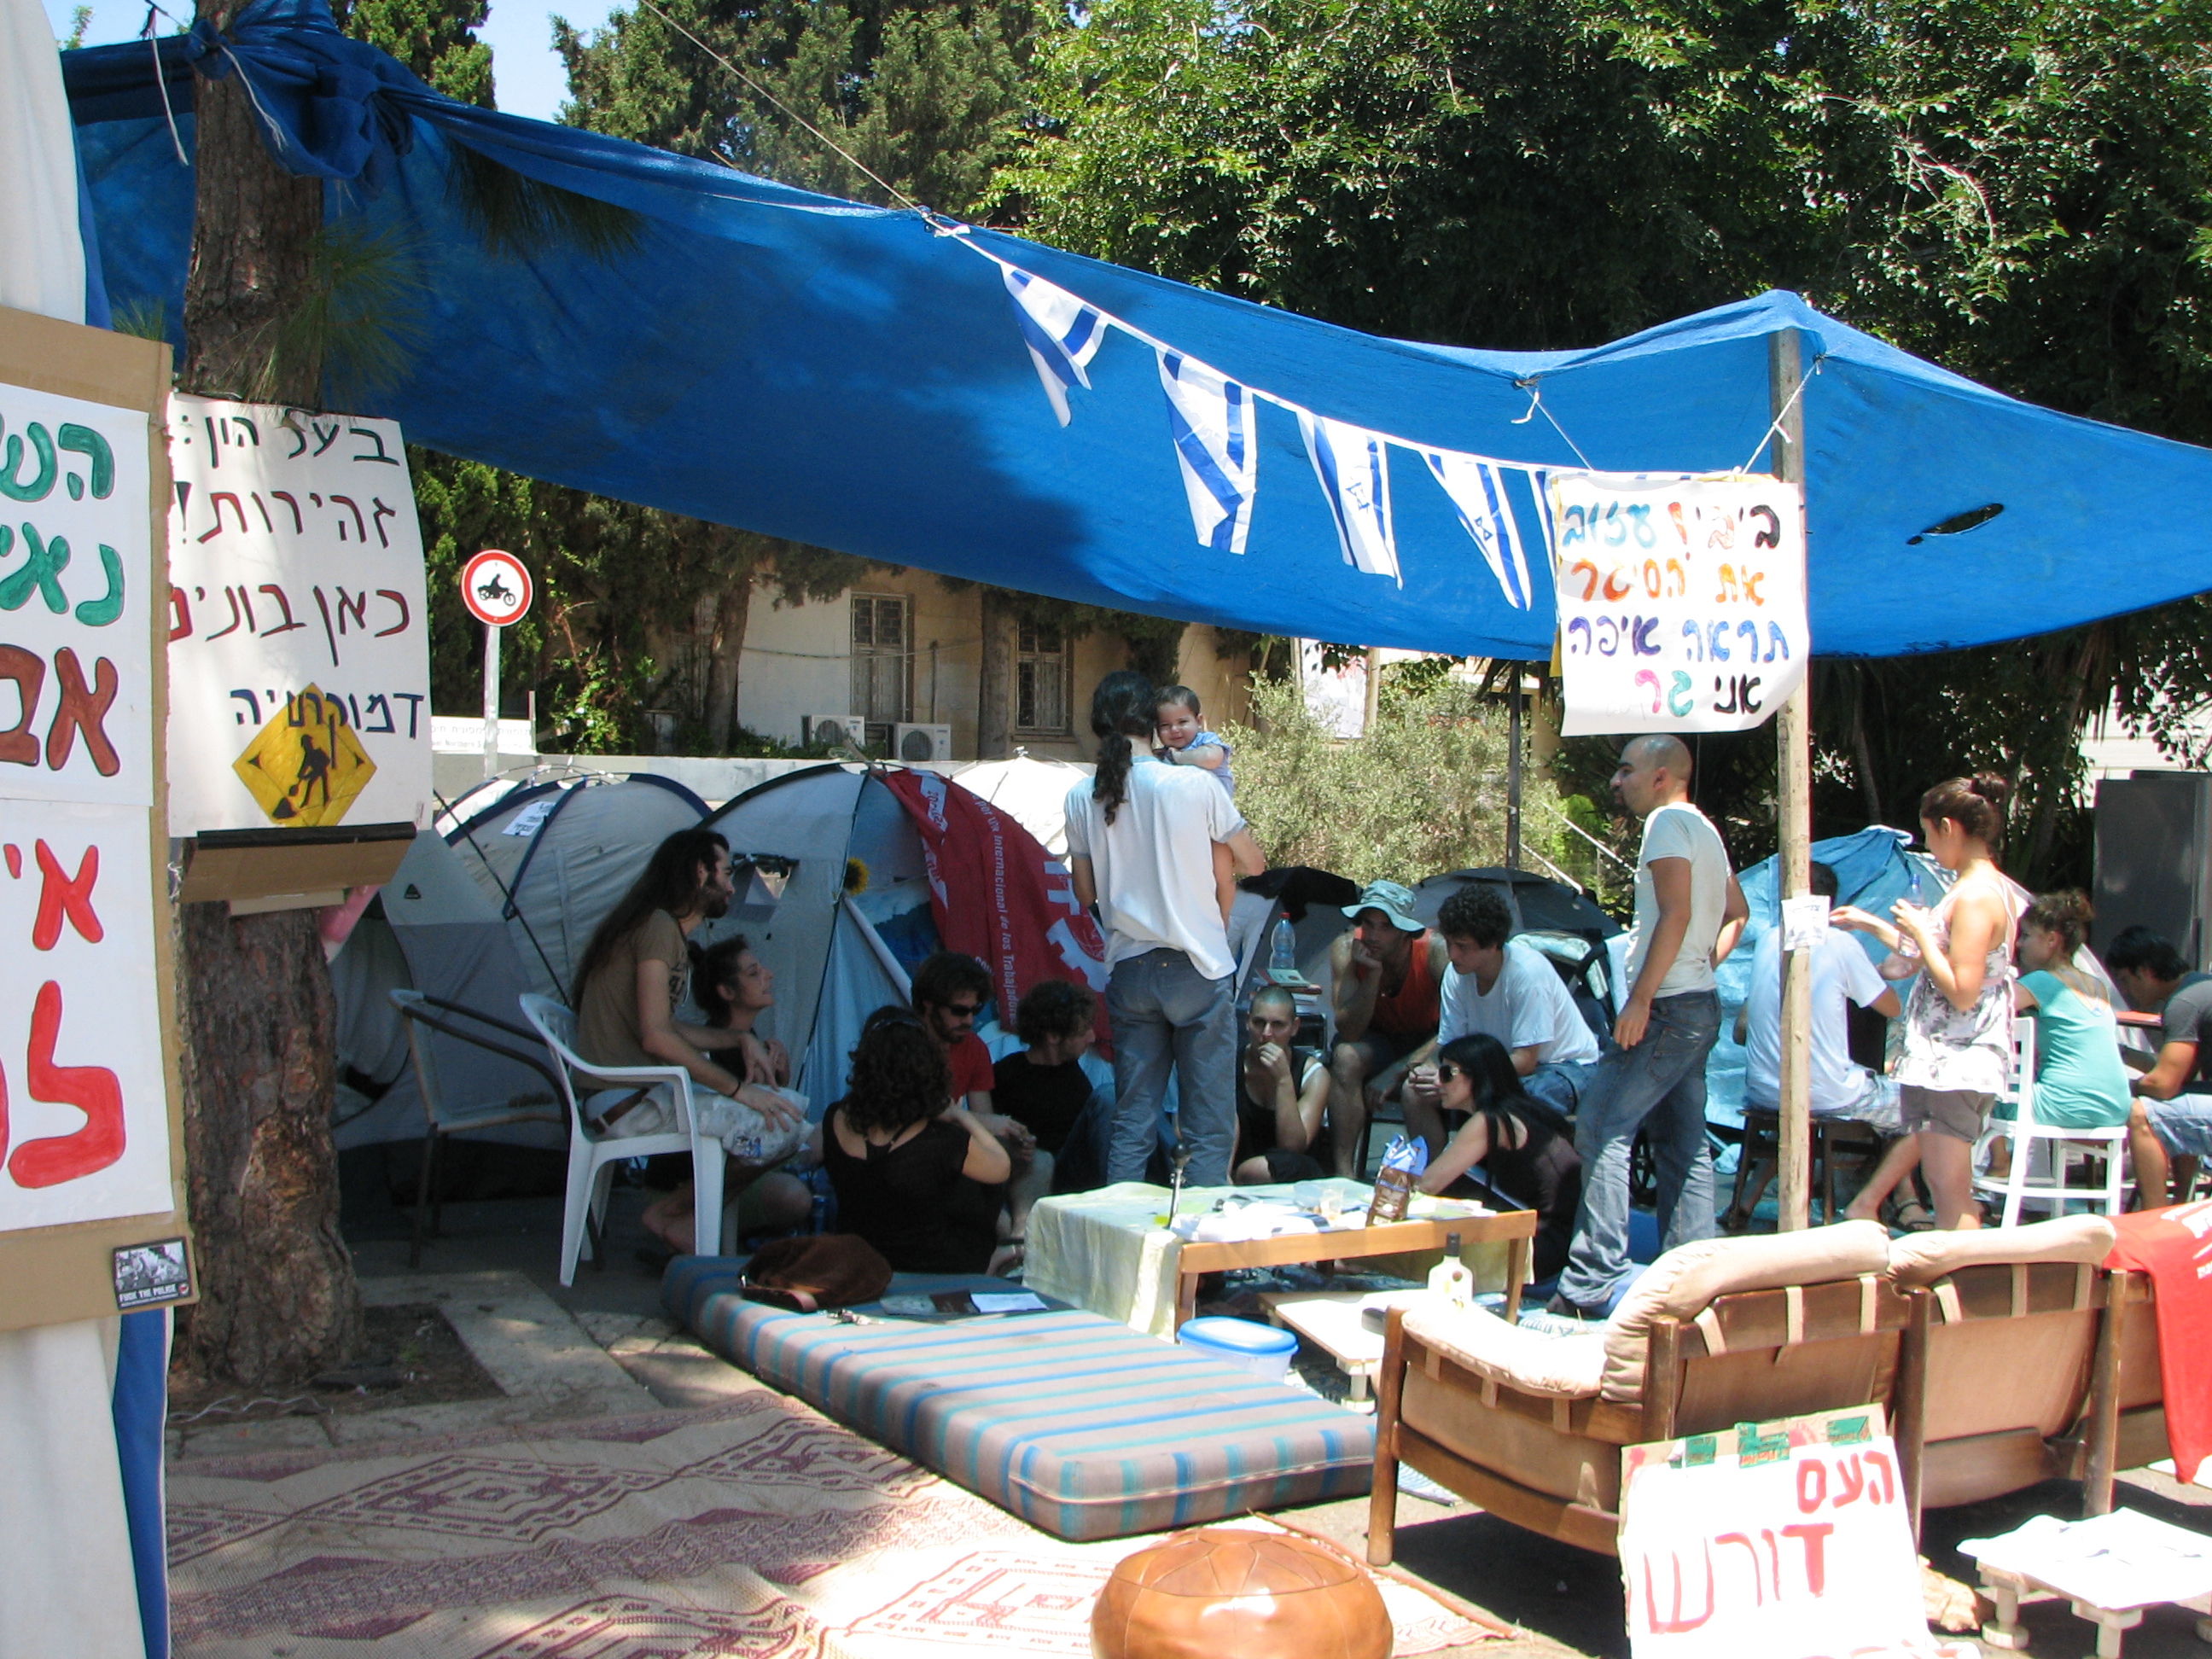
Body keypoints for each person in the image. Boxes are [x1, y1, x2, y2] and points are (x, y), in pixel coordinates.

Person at [1552, 735, 1746, 1318]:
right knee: (1683, 1144)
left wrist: (1640, 997)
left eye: (1626, 770)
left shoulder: (1665, 826)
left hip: (1665, 1008)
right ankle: (1693, 1280)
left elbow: (1678, 912)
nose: (1617, 781)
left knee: (1602, 1124)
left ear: (1662, 776)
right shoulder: (1706, 830)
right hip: (1697, 1005)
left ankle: (1592, 1282)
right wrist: (1700, 967)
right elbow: (1737, 912)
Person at [1067, 671, 1267, 1189]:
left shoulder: (1079, 796)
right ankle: (1203, 1251)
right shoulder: (1194, 784)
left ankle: (1122, 1227)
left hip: (1129, 969)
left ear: (1099, 726)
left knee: (1132, 1115)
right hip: (1197, 966)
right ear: (1152, 724)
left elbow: (1085, 895)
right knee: (1207, 1121)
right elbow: (1255, 863)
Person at [570, 829, 807, 1254]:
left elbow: (668, 1027)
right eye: (726, 872)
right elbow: (658, 1037)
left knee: (786, 1114)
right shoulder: (658, 927)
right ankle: (677, 1214)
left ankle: (687, 1217)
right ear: (701, 873)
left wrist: (738, 1040)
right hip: (627, 1102)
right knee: (784, 1121)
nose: (733, 885)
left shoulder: (660, 928)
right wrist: (739, 1090)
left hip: (633, 1096)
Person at [1833, 775, 2021, 1231]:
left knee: (1950, 1188)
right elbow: (1935, 956)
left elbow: (1962, 988)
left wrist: (1919, 932)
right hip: (1941, 1057)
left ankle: (1960, 1287)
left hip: (1958, 1056)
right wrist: (1875, 926)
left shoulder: (1976, 897)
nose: (1931, 849)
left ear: (1950, 828)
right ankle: (1949, 1285)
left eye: (1931, 835)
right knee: (1942, 1184)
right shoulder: (1970, 887)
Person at [1726, 863, 1906, 1225]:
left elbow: (1740, 1033)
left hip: (1762, 1091)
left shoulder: (1768, 940)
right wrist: (1876, 973)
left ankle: (1748, 1198)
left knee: (1798, 1103)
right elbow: (1892, 1007)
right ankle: (1898, 1201)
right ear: (1831, 903)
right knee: (1920, 1108)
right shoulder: (1841, 943)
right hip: (1823, 1095)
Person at [1406, 884, 1600, 1159]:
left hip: (1562, 1066)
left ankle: (1510, 1184)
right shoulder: (1456, 974)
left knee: (1517, 1102)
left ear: (1493, 944)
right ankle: (1434, 1177)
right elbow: (1450, 1046)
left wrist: (1465, 1076)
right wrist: (1432, 1071)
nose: (1452, 954)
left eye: (1463, 947)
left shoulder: (1526, 974)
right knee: (1415, 1093)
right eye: (1449, 943)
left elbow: (1526, 1060)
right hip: (1489, 1067)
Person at [822, 1010, 1011, 1273]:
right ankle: (990, 1259)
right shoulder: (940, 1140)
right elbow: (1000, 1167)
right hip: (931, 1264)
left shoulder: (835, 1117)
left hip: (858, 1258)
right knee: (972, 1181)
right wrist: (961, 1116)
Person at [1417, 1034, 1585, 1284]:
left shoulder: (1491, 1121)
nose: (1439, 1082)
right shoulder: (1518, 1108)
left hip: (1544, 1245)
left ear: (1478, 1075)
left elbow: (1427, 1184)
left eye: (1447, 1073)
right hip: (1564, 1236)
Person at [686, 934, 814, 1234]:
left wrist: (779, 1079)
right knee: (796, 1193)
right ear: (727, 992)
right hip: (695, 1185)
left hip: (733, 1173)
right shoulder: (715, 1050)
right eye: (754, 973)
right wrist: (764, 1085)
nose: (767, 975)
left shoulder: (750, 1039)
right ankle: (688, 1217)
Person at [1326, 880, 1452, 1177]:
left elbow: (1456, 1026)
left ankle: (1427, 1179)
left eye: (1386, 927)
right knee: (1345, 1056)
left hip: (1432, 1040)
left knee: (1416, 1086)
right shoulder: (1347, 949)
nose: (1373, 936)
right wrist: (1372, 976)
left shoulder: (1435, 953)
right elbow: (1349, 1031)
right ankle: (1344, 1175)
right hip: (1378, 1037)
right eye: (1368, 925)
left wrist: (1397, 1072)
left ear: (1405, 931)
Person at [2107, 927, 2212, 1206]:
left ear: (2145, 971)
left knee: (2142, 1113)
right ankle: (2182, 1203)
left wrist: (2121, 1087)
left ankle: (2156, 1220)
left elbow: (2163, 1085)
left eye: (2125, 980)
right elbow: (2177, 1077)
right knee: (2178, 1104)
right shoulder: (2202, 987)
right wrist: (2123, 1054)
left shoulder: (2184, 1002)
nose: (2125, 990)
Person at [992, 978, 1101, 1222]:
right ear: (1053, 1036)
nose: (1092, 1038)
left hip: (1076, 1171)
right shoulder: (1008, 1074)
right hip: (1031, 1172)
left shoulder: (1076, 1077)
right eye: (1083, 1032)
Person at [1232, 985, 1332, 1184]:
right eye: (1259, 1023)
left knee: (1254, 1170)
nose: (1267, 1033)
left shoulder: (1313, 1075)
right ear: (1247, 1022)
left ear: (1294, 1027)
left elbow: (1292, 1147)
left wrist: (1284, 1080)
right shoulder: (1229, 1066)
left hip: (1295, 1172)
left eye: (1278, 1025)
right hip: (1238, 1166)